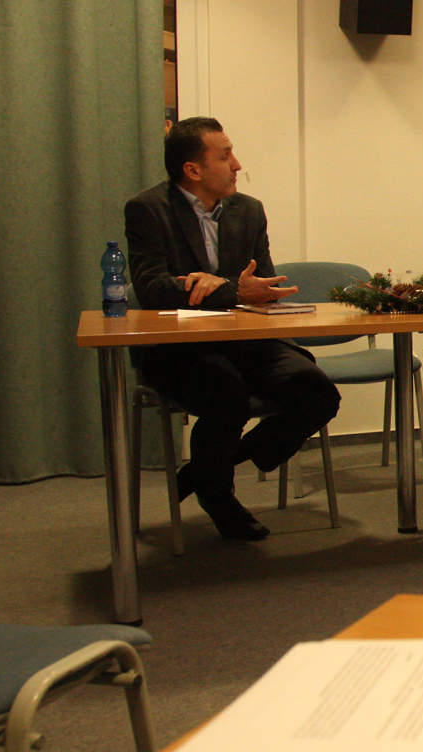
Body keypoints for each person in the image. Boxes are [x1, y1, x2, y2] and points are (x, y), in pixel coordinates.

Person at [124, 117, 340, 541]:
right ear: (193, 170)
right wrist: (230, 289)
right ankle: (218, 496)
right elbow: (151, 289)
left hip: (248, 342)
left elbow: (263, 286)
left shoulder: (249, 210)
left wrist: (233, 289)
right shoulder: (148, 210)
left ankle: (204, 471)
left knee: (317, 392)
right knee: (226, 394)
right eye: (225, 156)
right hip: (182, 350)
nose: (237, 164)